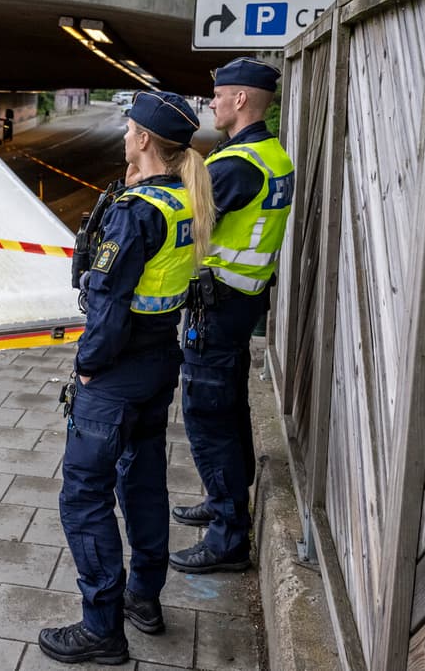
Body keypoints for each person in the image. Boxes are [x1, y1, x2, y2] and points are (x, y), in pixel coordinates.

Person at [39, 91, 215, 665]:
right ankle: (144, 599)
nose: (123, 137)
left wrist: (87, 367)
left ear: (142, 139)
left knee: (83, 497)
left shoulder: (136, 211)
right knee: (142, 483)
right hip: (159, 361)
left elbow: (109, 304)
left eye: (128, 129)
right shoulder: (186, 200)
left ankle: (101, 628)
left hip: (116, 370)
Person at [170, 57, 295, 575]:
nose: (212, 103)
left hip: (217, 305)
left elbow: (180, 226)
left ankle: (228, 537)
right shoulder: (271, 154)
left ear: (240, 100)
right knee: (229, 404)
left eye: (218, 96)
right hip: (243, 301)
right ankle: (227, 499)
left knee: (209, 416)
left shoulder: (236, 165)